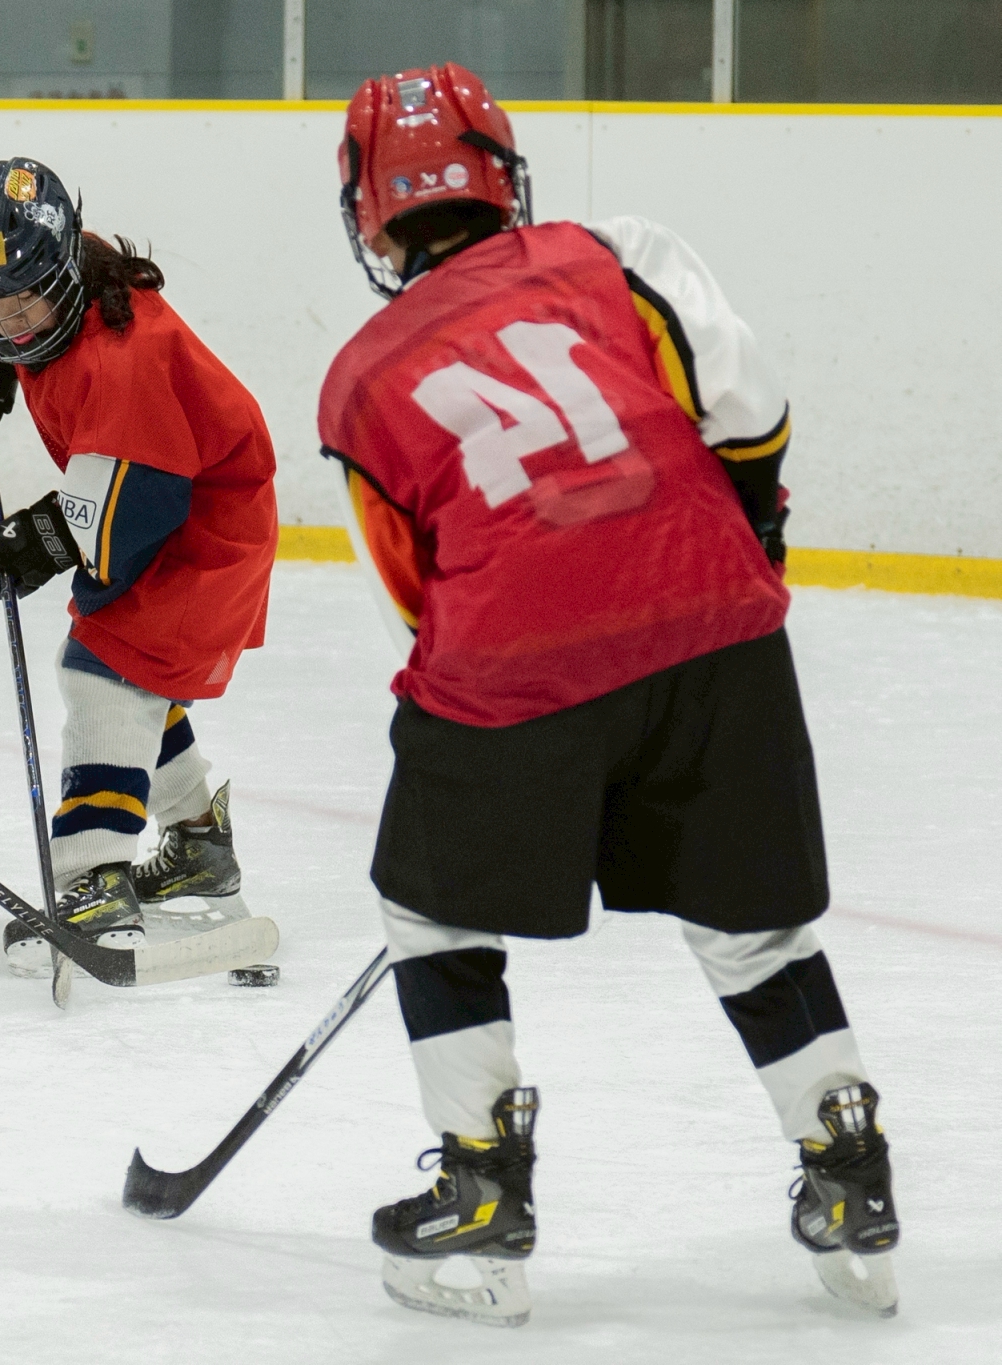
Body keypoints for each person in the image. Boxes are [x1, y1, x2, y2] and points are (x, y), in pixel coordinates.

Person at [319, 65, 899, 1324]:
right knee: (751, 929)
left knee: (430, 915)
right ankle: (845, 1161)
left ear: (370, 213)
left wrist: (471, 773)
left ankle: (480, 1192)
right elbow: (747, 405)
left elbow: (410, 604)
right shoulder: (613, 251)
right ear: (500, 174)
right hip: (713, 627)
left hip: (515, 667)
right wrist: (742, 542)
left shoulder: (357, 379)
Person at [0, 158, 279, 977]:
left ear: (56, 271)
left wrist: (39, 541)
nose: (7, 319)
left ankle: (95, 875)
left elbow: (139, 493)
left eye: (20, 300)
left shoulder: (127, 353)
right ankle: (198, 846)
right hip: (177, 510)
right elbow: (25, 323)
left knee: (104, 672)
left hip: (202, 533)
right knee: (129, 673)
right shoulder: (65, 286)